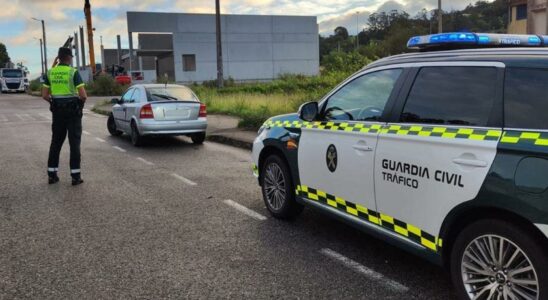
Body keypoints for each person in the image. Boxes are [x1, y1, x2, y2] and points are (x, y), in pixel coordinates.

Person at [42, 47, 87, 185]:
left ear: (59, 57)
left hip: (57, 113)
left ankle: (52, 175)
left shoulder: (50, 72)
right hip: (72, 113)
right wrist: (79, 105)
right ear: (68, 57)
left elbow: (44, 95)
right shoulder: (72, 72)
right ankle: (75, 176)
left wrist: (54, 102)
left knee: (55, 143)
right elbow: (83, 95)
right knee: (74, 144)